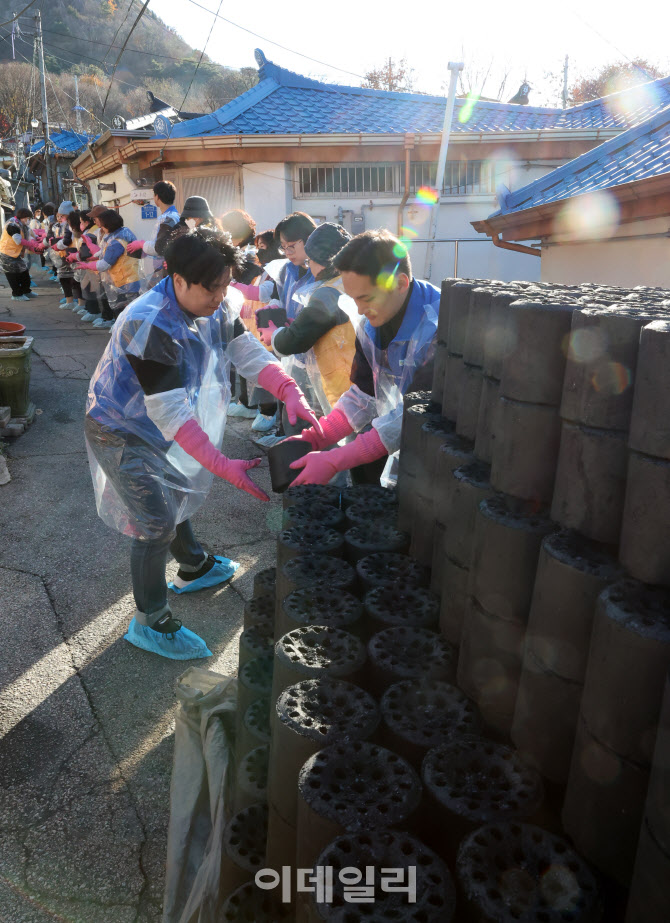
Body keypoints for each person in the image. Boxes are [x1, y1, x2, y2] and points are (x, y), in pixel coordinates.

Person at [84, 228, 320, 659]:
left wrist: (289, 390)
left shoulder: (216, 303)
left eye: (225, 284)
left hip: (157, 424)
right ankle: (150, 620)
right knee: (154, 522)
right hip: (119, 428)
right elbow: (169, 411)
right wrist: (220, 463)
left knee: (171, 492)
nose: (220, 295)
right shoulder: (149, 322)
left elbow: (245, 351)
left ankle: (193, 566)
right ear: (178, 280)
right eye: (211, 288)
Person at [288, 229, 441, 487]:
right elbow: (363, 395)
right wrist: (317, 437)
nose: (358, 310)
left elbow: (413, 415)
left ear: (401, 283)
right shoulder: (372, 321)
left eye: (366, 298)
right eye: (353, 298)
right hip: (414, 426)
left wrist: (336, 460)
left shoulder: (438, 327)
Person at [259, 222, 356, 419]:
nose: (308, 265)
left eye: (310, 260)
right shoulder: (349, 281)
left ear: (323, 260)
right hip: (353, 376)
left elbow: (295, 339)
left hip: (339, 381)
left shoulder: (328, 292)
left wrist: (274, 335)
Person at [75, 208, 140, 327]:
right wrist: (91, 249)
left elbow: (105, 263)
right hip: (125, 278)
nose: (100, 227)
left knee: (125, 311)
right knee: (126, 311)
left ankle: (126, 335)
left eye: (102, 225)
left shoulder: (117, 240)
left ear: (108, 224)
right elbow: (103, 253)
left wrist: (87, 265)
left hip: (125, 280)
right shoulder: (120, 233)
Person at [125, 180, 180, 290]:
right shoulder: (176, 216)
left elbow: (159, 248)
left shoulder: (167, 219)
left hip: (164, 270)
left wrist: (141, 244)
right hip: (166, 268)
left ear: (157, 197)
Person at [0, 207, 41, 300]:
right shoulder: (13, 225)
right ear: (22, 217)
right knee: (12, 275)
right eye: (27, 218)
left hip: (16, 253)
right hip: (7, 253)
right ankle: (17, 294)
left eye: (30, 218)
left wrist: (37, 238)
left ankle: (26, 291)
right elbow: (18, 240)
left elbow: (29, 232)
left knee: (24, 272)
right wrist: (32, 244)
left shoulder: (21, 224)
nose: (29, 220)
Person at [52, 201, 86, 311]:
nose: (60, 217)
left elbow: (67, 240)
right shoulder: (66, 224)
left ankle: (81, 304)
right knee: (74, 280)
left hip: (73, 255)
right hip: (71, 254)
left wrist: (56, 245)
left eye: (62, 215)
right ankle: (76, 302)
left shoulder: (70, 224)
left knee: (77, 281)